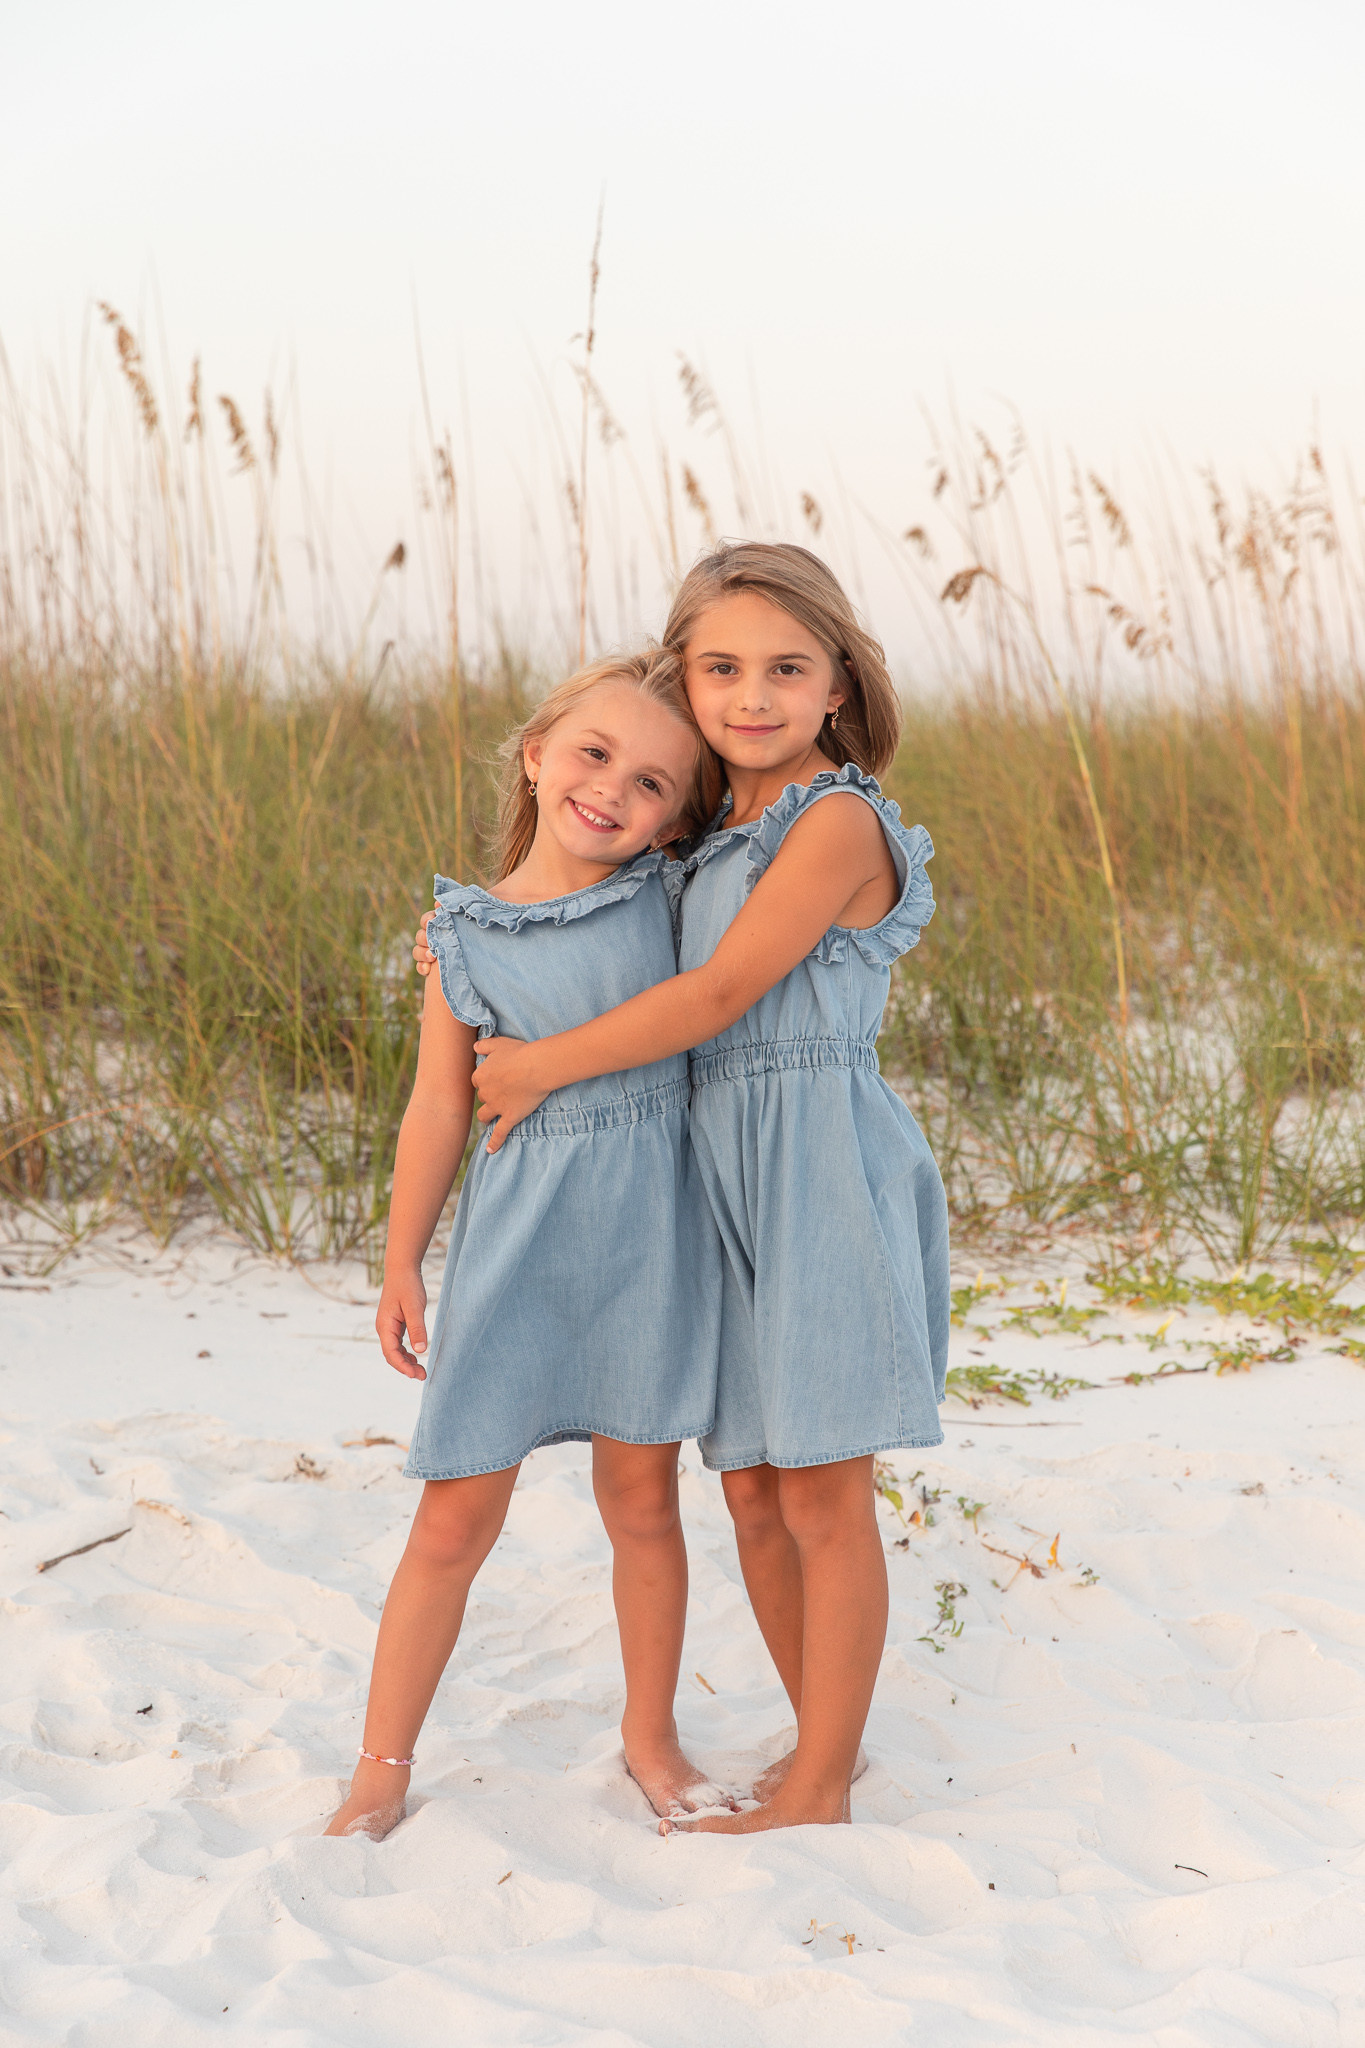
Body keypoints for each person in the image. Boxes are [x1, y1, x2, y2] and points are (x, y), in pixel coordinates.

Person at [461, 545, 949, 1835]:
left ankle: (822, 1785)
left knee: (822, 1486)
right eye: (721, 667)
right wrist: (465, 939)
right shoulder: (698, 826)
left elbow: (720, 994)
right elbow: (584, 915)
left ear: (838, 683)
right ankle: (816, 1735)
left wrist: (541, 1069)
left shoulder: (834, 819)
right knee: (748, 1483)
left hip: (815, 1165)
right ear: (683, 673)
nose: (751, 694)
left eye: (786, 668)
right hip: (710, 1174)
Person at [326, 650, 730, 1840]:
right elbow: (437, 1105)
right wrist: (402, 1258)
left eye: (654, 782)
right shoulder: (463, 936)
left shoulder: (668, 899)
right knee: (454, 1514)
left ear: (676, 817)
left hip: (647, 1236)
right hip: (517, 1243)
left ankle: (650, 1735)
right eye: (595, 754)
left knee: (642, 1500)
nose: (614, 790)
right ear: (537, 751)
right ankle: (380, 1763)